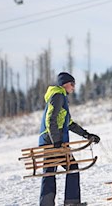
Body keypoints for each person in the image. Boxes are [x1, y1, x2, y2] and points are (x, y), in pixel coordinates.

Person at [39, 72, 100, 206]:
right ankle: (71, 202)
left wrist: (86, 135)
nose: (73, 87)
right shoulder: (58, 96)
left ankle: (46, 204)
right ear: (65, 84)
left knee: (50, 172)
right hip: (53, 142)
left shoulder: (59, 96)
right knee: (72, 167)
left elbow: (69, 123)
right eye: (72, 84)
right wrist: (56, 141)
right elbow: (51, 119)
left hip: (49, 141)